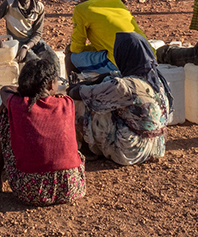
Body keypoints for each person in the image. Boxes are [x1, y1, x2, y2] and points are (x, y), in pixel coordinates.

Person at [0, 58, 85, 206]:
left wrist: (22, 92)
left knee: (5, 115)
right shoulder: (66, 103)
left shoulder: (18, 104)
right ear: (50, 85)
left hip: (30, 190)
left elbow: (5, 90)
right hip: (71, 187)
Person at [72, 32, 171, 166]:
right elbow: (111, 76)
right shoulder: (155, 78)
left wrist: (75, 86)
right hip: (157, 146)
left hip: (131, 151)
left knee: (85, 102)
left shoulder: (125, 86)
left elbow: (80, 93)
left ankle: (86, 147)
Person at [69, 0, 145, 75]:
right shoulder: (115, 2)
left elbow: (77, 48)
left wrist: (78, 48)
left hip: (120, 63)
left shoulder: (81, 9)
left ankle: (74, 88)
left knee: (71, 55)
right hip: (146, 56)